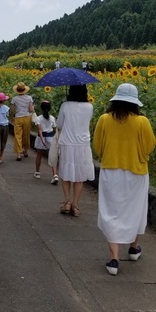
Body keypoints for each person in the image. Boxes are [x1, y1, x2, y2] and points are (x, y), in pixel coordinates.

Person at [93, 83, 156, 276]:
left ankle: (114, 259)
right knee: (136, 210)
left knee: (111, 211)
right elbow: (149, 146)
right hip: (136, 172)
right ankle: (134, 248)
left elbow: (97, 145)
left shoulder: (104, 119)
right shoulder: (142, 121)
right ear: (135, 103)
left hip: (111, 171)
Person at [56, 84, 95, 217]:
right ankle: (75, 205)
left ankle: (66, 202)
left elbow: (59, 124)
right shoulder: (89, 107)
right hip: (83, 144)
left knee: (66, 173)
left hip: (67, 142)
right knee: (79, 176)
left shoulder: (65, 106)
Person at [33, 100, 59, 184]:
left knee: (39, 155)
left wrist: (42, 139)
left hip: (41, 138)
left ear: (41, 109)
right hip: (50, 137)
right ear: (50, 109)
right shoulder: (52, 118)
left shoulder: (38, 118)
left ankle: (37, 172)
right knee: (52, 157)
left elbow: (39, 129)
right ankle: (54, 175)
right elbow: (55, 129)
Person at [10, 82, 34, 161]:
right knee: (26, 135)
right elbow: (31, 109)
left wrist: (12, 117)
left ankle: (19, 154)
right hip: (27, 117)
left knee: (18, 135)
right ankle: (26, 151)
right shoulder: (29, 98)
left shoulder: (14, 98)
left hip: (18, 118)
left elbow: (12, 110)